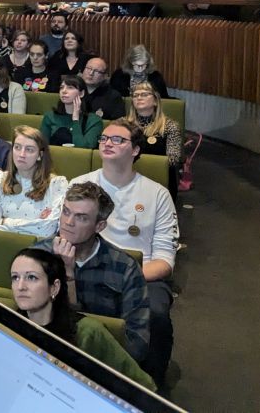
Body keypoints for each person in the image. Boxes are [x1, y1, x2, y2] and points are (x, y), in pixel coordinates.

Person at [71, 119, 178, 391]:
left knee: (156, 314)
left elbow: (165, 260)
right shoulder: (80, 184)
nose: (108, 142)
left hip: (143, 275)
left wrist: (128, 276)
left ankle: (149, 389)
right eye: (104, 138)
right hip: (86, 266)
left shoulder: (157, 194)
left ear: (135, 151)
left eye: (118, 139)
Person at [9, 249, 156, 391]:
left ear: (54, 288)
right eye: (15, 277)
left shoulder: (87, 332)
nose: (20, 286)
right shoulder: (8, 323)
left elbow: (142, 385)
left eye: (31, 277)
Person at [49, 182, 152, 365]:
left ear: (100, 225)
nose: (68, 222)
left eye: (81, 218)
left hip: (102, 364)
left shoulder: (125, 268)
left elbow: (137, 345)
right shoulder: (39, 256)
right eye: (66, 212)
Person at [0, 126, 67, 237]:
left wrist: (5, 222)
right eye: (17, 147)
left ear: (40, 155)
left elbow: (47, 230)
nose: (21, 154)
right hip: (2, 246)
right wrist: (36, 222)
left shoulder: (56, 184)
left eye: (29, 150)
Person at [126, 82, 183, 198]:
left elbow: (173, 159)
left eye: (144, 94)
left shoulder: (170, 126)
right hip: (127, 177)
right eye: (136, 95)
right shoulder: (123, 125)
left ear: (156, 100)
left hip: (159, 179)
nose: (139, 98)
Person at [40, 75, 103, 149]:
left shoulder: (94, 120)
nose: (64, 91)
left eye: (70, 87)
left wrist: (75, 120)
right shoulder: (49, 116)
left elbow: (84, 149)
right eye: (62, 87)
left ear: (81, 93)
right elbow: (42, 147)